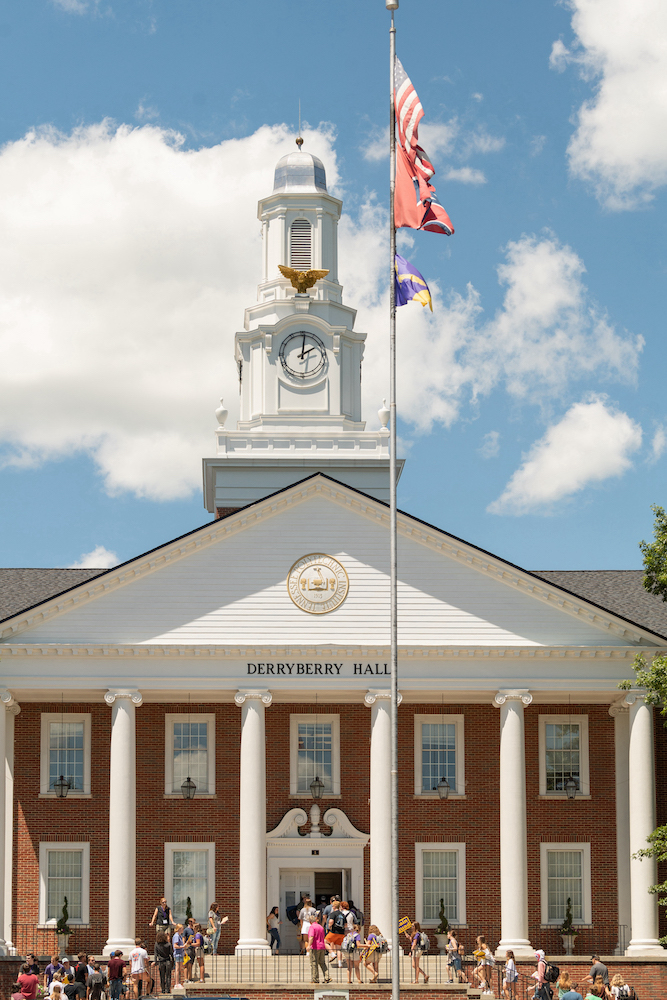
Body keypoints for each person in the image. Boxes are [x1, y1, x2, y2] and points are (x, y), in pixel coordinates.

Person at [306, 911, 331, 985]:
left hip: (315, 947)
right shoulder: (321, 927)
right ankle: (327, 977)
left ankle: (315, 979)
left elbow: (311, 937)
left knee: (314, 963)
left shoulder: (312, 927)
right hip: (322, 946)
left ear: (310, 922)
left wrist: (308, 946)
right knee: (322, 963)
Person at [325, 900, 347, 966]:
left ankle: (332, 953)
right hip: (341, 933)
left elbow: (331, 921)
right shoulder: (343, 915)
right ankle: (340, 963)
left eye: (332, 906)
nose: (332, 907)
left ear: (334, 906)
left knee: (324, 942)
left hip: (334, 932)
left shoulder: (333, 913)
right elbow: (346, 925)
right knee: (338, 949)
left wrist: (329, 926)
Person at [154, 931, 172, 995]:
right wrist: (173, 961)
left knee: (162, 976)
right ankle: (168, 989)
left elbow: (155, 954)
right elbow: (171, 953)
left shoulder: (157, 944)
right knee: (168, 976)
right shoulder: (168, 944)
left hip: (161, 962)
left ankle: (163, 990)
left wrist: (155, 961)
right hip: (168, 961)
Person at [171, 923, 185, 987]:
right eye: (182, 928)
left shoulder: (180, 936)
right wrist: (182, 946)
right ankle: (176, 983)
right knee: (177, 969)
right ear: (179, 929)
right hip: (178, 954)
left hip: (180, 954)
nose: (183, 929)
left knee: (179, 969)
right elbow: (175, 946)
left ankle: (178, 982)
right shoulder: (176, 936)